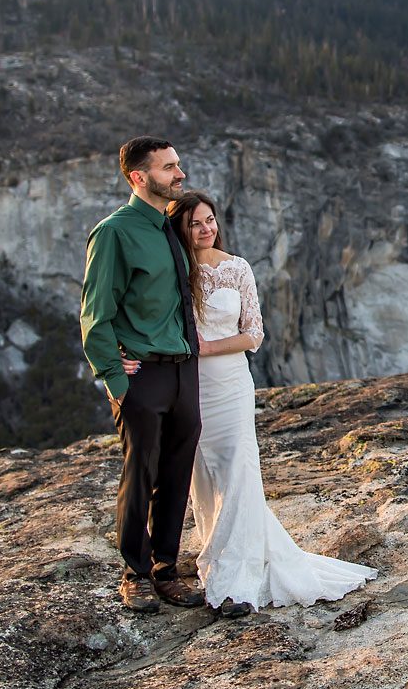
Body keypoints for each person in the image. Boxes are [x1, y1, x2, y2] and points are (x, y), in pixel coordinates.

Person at [145, 189, 377, 612]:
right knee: (203, 474)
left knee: (239, 469)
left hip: (230, 382)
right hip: (189, 385)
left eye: (210, 220)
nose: (205, 229)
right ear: (180, 226)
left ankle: (238, 575)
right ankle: (216, 551)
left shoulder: (237, 268)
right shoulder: (174, 272)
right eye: (195, 222)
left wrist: (205, 347)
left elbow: (254, 334)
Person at [80, 136, 207, 613]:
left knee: (176, 475)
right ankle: (133, 574)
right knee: (141, 473)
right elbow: (95, 312)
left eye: (178, 165)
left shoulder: (171, 226)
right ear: (139, 177)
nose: (180, 174)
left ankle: (165, 570)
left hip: (183, 371)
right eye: (170, 167)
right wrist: (115, 377)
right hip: (143, 377)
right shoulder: (114, 232)